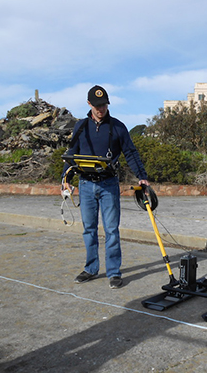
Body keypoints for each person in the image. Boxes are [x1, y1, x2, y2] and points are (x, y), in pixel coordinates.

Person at [62, 85, 149, 289]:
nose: (101, 109)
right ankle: (91, 269)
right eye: (97, 105)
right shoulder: (81, 126)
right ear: (89, 104)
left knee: (111, 229)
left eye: (104, 105)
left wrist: (142, 177)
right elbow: (71, 153)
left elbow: (131, 153)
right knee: (89, 229)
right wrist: (65, 177)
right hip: (85, 184)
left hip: (109, 184)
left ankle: (113, 272)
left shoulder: (118, 127)